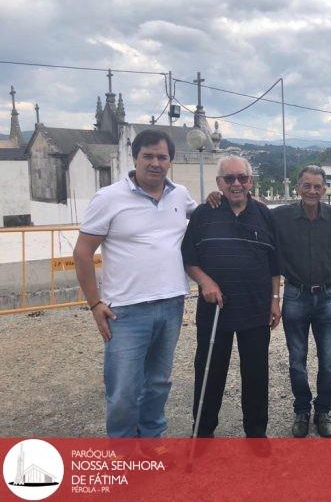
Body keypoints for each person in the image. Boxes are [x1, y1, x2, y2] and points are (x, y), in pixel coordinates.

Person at [74, 129, 197, 437]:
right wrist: (95, 303)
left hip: (171, 305)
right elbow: (82, 253)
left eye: (162, 157)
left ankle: (152, 438)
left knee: (158, 382)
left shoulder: (180, 195)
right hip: (126, 311)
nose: (155, 163)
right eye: (148, 156)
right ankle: (123, 452)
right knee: (124, 390)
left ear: (170, 160)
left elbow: (208, 216)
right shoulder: (109, 198)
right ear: (136, 158)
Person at [181, 155, 281, 438]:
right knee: (210, 372)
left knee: (256, 375)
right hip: (215, 309)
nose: (236, 184)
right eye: (229, 179)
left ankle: (256, 434)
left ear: (251, 181)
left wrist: (275, 300)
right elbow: (189, 258)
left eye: (243, 178)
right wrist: (205, 281)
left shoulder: (264, 215)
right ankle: (202, 431)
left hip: (255, 308)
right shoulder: (203, 213)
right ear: (219, 183)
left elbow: (275, 264)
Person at [272, 166, 331, 438]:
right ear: (297, 188)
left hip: (327, 297)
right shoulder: (281, 217)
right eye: (306, 186)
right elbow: (251, 212)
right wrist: (218, 199)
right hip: (295, 296)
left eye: (317, 186)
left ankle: (323, 410)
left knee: (328, 360)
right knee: (296, 360)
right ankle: (302, 410)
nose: (312, 191)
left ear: (325, 189)